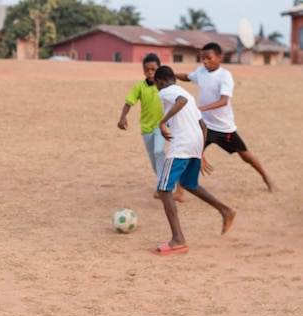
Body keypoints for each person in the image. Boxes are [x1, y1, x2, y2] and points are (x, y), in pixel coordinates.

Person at [151, 66, 236, 255]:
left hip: (181, 146)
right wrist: (200, 152)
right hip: (196, 143)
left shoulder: (167, 92)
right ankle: (225, 210)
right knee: (189, 184)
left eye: (157, 85)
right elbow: (203, 125)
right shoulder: (186, 93)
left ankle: (178, 239)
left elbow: (179, 102)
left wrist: (163, 121)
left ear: (160, 82)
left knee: (163, 189)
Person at [175, 42, 275, 192]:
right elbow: (188, 77)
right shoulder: (201, 72)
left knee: (246, 156)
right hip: (205, 126)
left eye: (209, 58)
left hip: (224, 128)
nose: (205, 61)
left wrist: (201, 108)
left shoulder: (225, 76)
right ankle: (179, 192)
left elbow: (224, 101)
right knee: (185, 154)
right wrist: (171, 73)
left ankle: (268, 180)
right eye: (202, 58)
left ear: (220, 57)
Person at [117, 53, 184, 201]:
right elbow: (129, 102)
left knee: (159, 151)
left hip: (161, 126)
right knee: (154, 160)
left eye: (153, 69)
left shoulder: (165, 88)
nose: (150, 73)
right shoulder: (139, 87)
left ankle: (163, 186)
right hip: (146, 128)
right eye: (146, 70)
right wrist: (123, 117)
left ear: (159, 70)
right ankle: (164, 181)